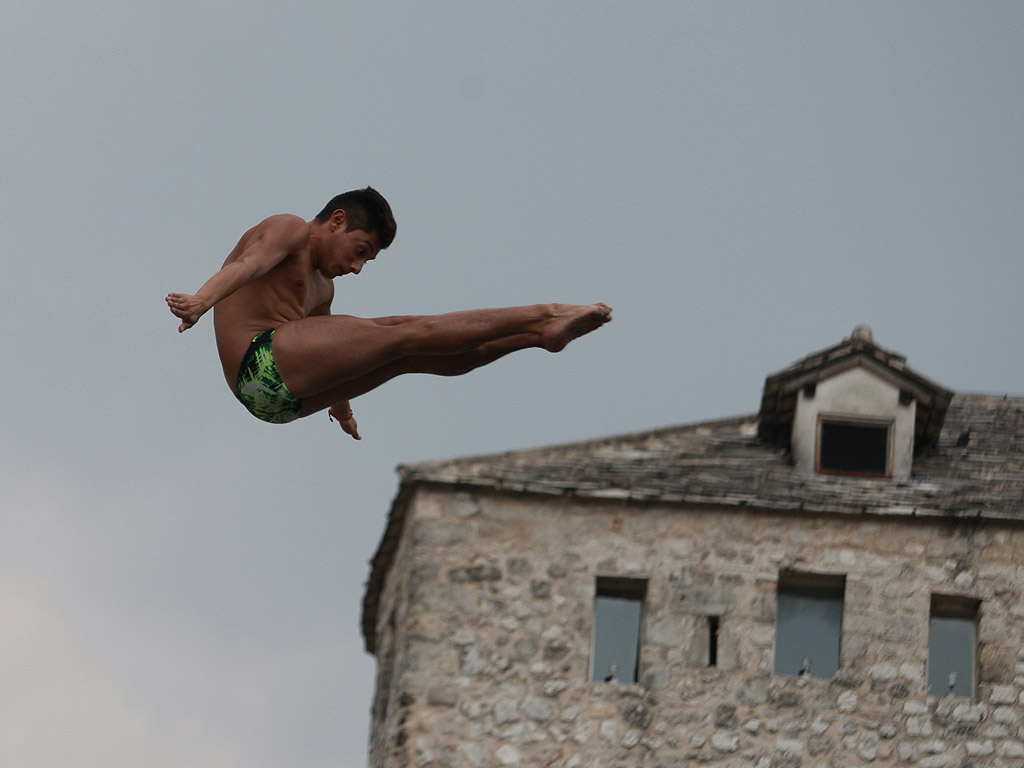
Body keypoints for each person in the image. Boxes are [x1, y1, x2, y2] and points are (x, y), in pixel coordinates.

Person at [166, 187, 612, 439]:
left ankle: (539, 338)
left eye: (367, 261)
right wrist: (202, 301)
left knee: (410, 357)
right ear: (337, 221)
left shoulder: (323, 289)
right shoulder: (291, 230)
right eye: (361, 251)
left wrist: (341, 409)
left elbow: (327, 357)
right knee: (402, 331)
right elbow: (249, 265)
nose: (358, 267)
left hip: (282, 403)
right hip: (256, 362)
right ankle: (544, 314)